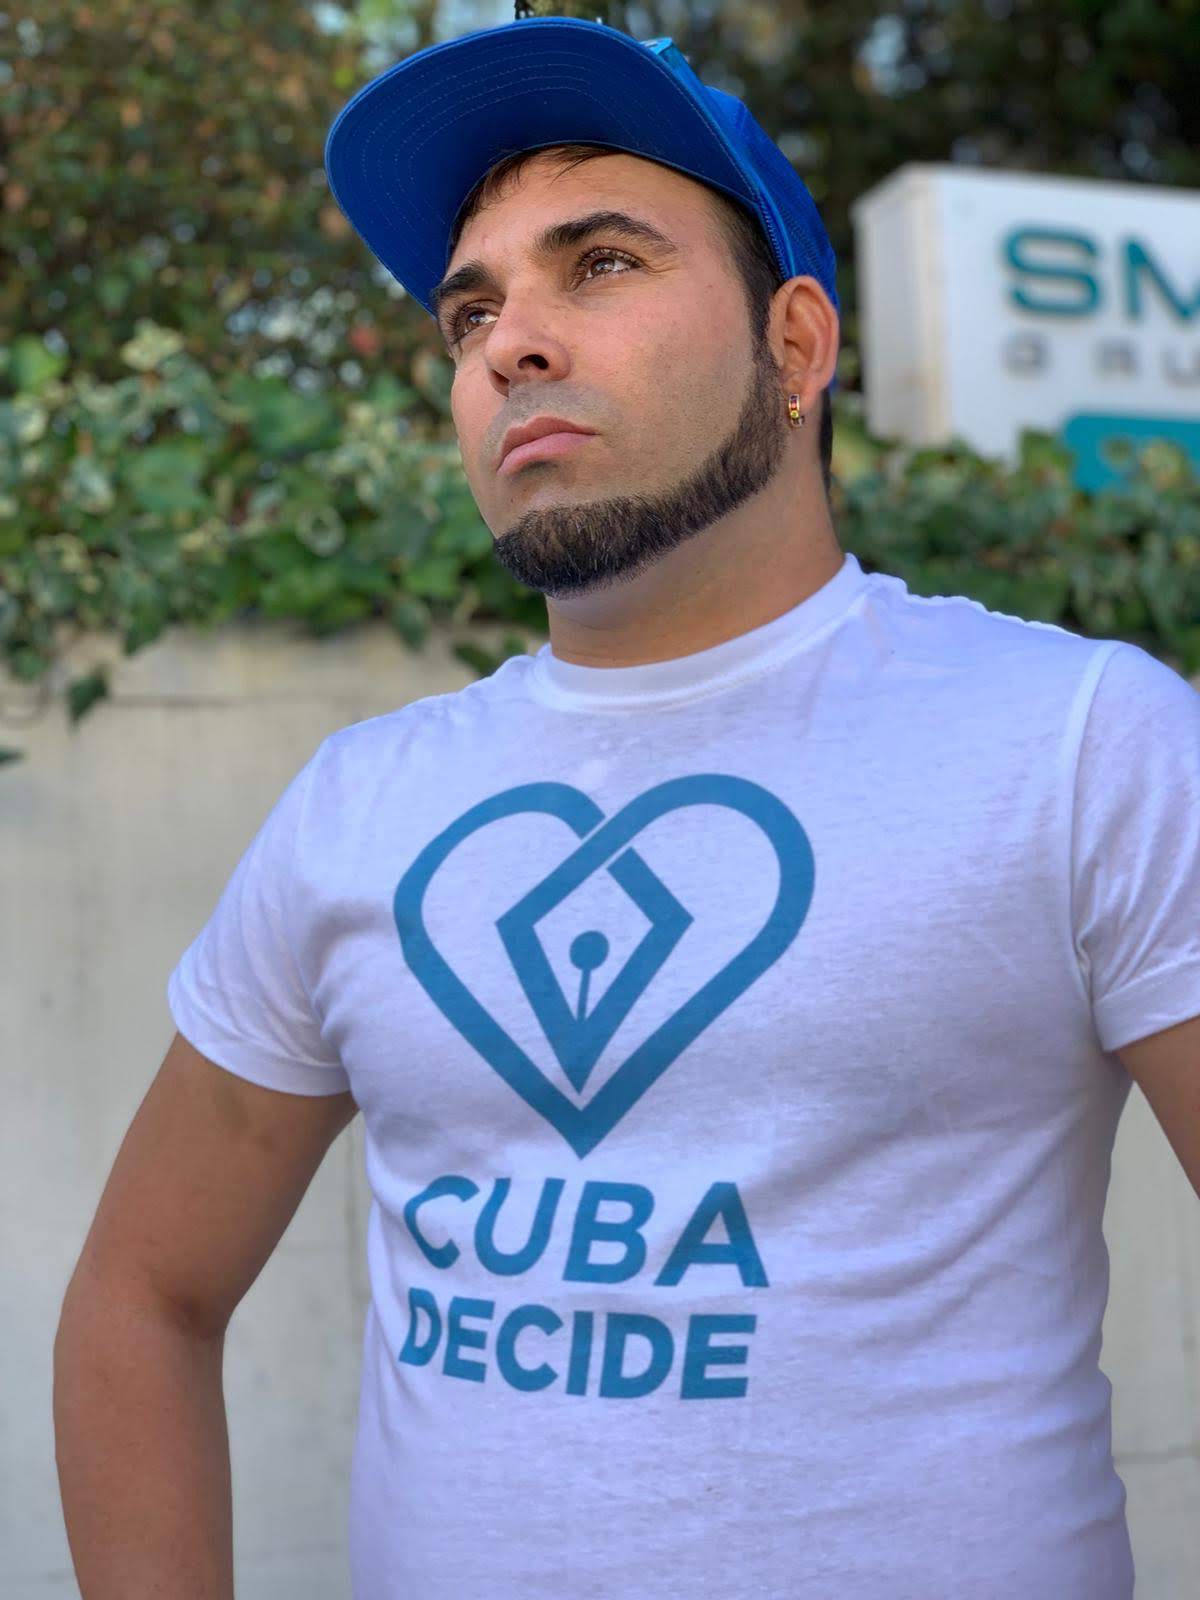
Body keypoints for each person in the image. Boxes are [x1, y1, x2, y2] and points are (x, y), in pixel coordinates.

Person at [53, 14, 1200, 1600]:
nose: (509, 343)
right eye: (472, 310)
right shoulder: (360, 805)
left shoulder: (1080, 743)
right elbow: (143, 1295)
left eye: (599, 263)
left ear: (795, 348)